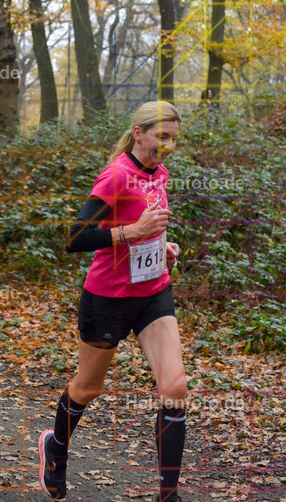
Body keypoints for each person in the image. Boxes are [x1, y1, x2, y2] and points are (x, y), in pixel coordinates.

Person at [39, 100, 187, 502]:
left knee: (175, 387)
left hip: (154, 291)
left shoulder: (161, 174)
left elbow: (147, 229)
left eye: (174, 138)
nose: (169, 145)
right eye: (162, 136)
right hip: (108, 297)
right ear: (139, 133)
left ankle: (168, 495)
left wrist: (162, 245)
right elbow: (75, 238)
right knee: (87, 389)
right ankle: (56, 450)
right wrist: (133, 231)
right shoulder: (116, 175)